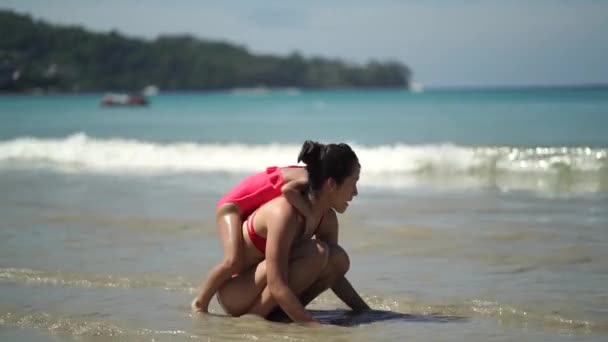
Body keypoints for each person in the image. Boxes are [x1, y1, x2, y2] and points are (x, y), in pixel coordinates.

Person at [213, 140, 370, 324]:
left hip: (268, 289)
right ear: (331, 184)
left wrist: (365, 311)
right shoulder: (284, 212)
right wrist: (313, 326)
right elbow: (276, 284)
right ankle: (255, 317)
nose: (356, 192)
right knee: (317, 252)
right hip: (237, 293)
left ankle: (283, 313)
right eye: (353, 182)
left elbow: (334, 276)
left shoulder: (326, 218)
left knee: (337, 259)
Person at [192, 164, 323, 313]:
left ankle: (245, 294)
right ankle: (200, 302)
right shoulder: (307, 179)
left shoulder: (308, 174)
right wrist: (309, 215)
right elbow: (287, 191)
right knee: (233, 260)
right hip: (231, 207)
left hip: (248, 207)